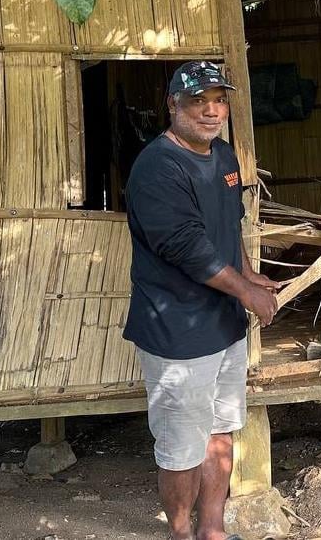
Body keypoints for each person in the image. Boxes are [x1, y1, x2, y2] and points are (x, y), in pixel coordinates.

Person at [123, 60, 280, 540]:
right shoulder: (157, 168)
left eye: (218, 100)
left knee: (219, 432)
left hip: (223, 326)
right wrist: (248, 293)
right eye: (198, 101)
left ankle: (212, 527)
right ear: (173, 104)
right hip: (177, 335)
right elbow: (188, 249)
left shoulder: (225, 157)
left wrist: (250, 272)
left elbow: (230, 225)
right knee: (181, 447)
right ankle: (180, 532)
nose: (212, 112)